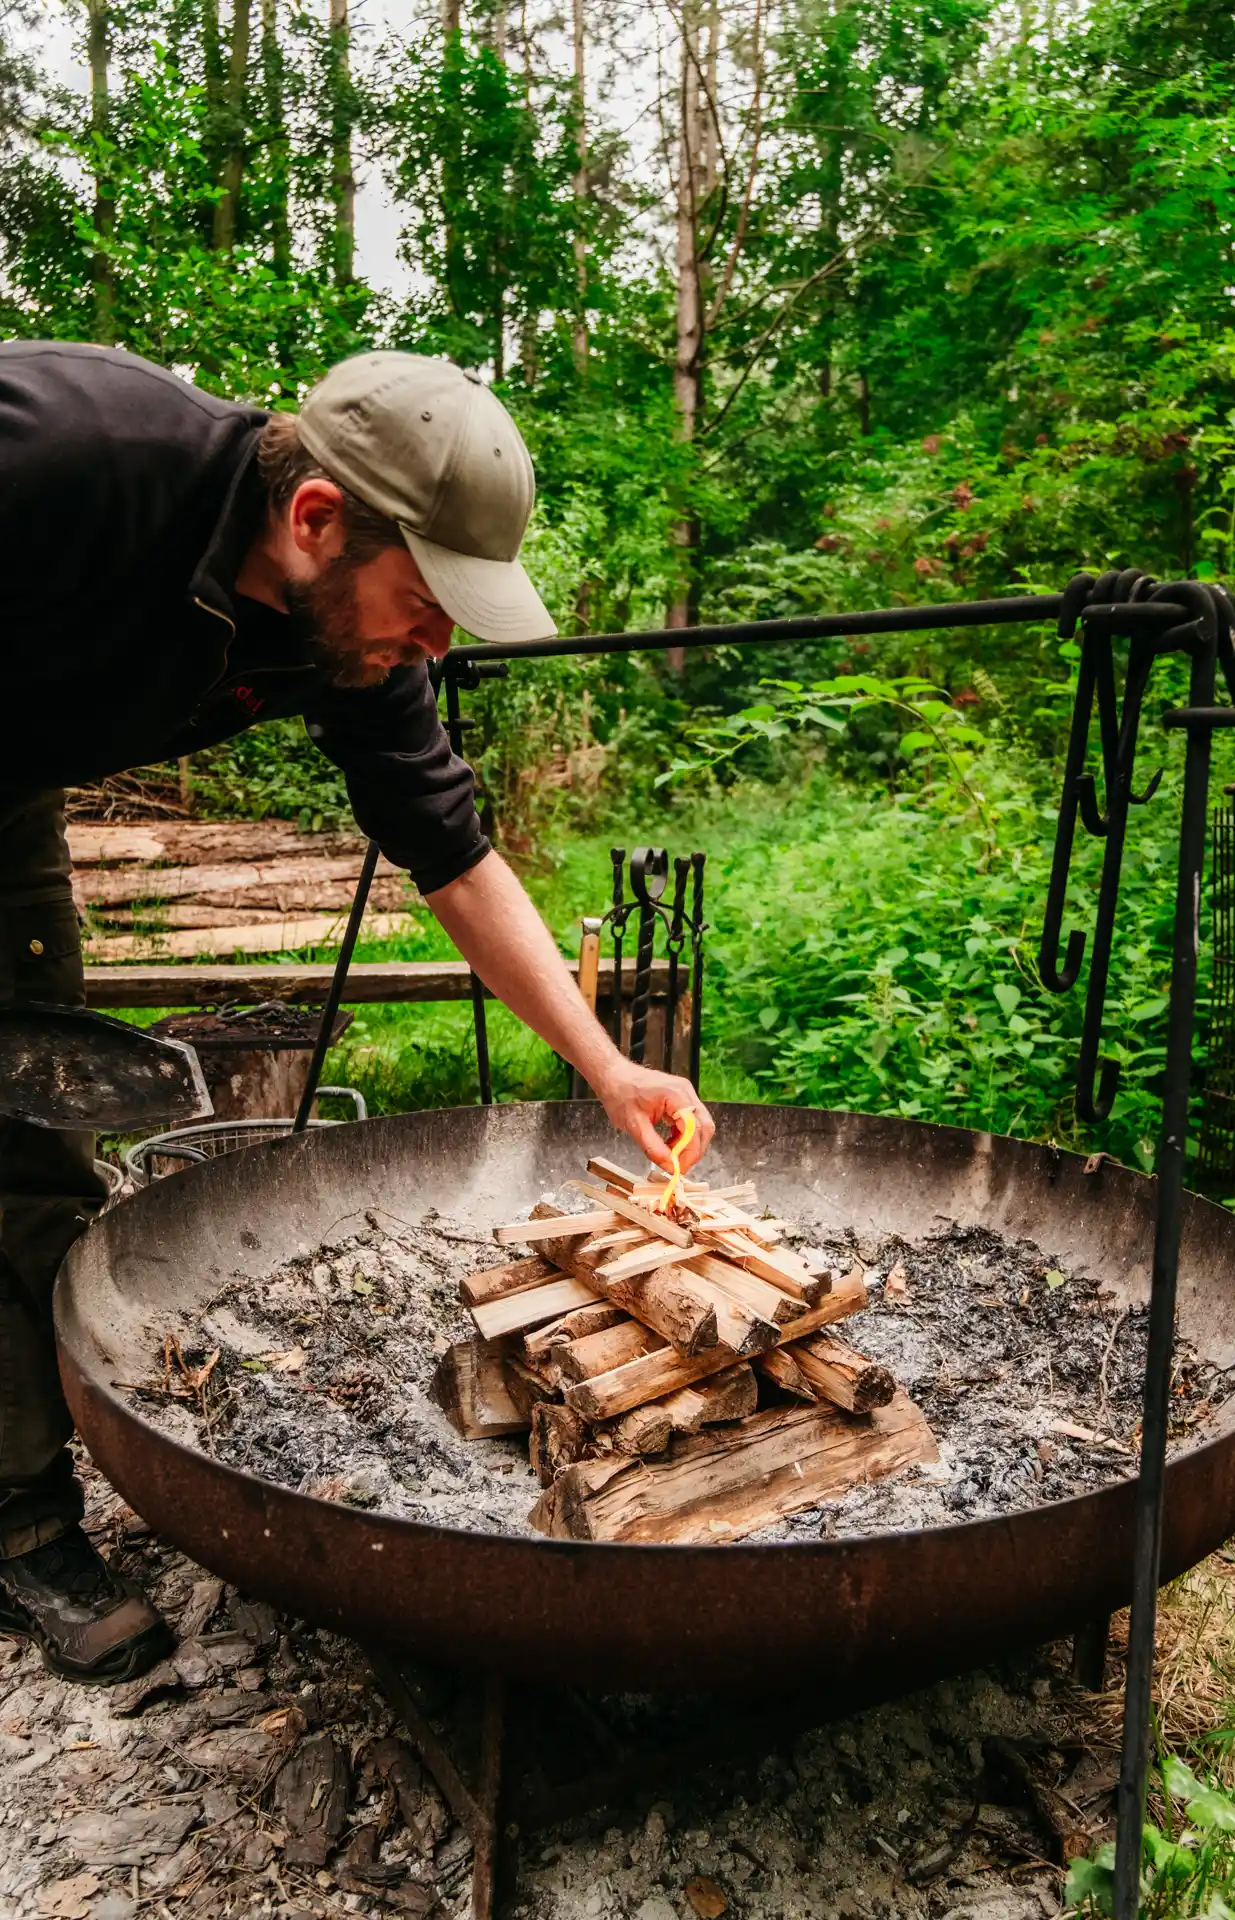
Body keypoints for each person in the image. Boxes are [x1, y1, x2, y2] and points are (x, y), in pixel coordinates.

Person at [0, 340, 714, 1684]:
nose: (437, 641)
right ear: (318, 518)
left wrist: (609, 1068)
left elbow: (451, 852)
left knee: (31, 1143)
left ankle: (19, 1513)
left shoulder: (350, 634)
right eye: (428, 600)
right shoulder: (64, 455)